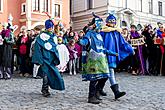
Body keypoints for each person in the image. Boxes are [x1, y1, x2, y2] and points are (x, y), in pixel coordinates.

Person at [79, 13, 118, 104]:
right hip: (93, 60)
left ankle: (97, 92)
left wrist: (112, 53)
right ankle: (91, 96)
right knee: (94, 79)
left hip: (102, 60)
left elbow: (103, 48)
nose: (101, 27)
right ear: (95, 25)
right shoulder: (90, 33)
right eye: (99, 25)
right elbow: (85, 42)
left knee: (105, 76)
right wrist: (79, 40)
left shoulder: (99, 35)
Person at [100, 14, 134, 99]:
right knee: (107, 73)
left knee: (107, 73)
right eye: (110, 21)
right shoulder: (103, 32)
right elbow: (99, 43)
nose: (112, 23)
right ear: (107, 22)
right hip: (104, 55)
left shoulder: (116, 32)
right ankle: (115, 91)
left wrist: (130, 49)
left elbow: (123, 43)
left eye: (113, 21)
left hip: (112, 56)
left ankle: (101, 89)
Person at [32, 19, 65, 97]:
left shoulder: (54, 36)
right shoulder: (41, 37)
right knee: (46, 75)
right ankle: (45, 89)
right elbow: (37, 48)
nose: (50, 28)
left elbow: (55, 48)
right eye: (49, 27)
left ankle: (48, 88)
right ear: (46, 27)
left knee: (55, 75)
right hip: (45, 59)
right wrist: (39, 59)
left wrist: (56, 58)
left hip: (51, 59)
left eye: (51, 27)